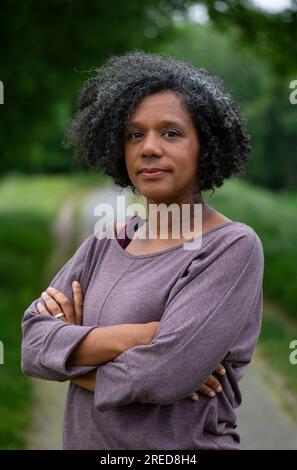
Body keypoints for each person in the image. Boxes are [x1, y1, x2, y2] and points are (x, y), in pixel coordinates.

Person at [21, 51, 264, 450]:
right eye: (135, 134)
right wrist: (141, 336)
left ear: (205, 146)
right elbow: (32, 344)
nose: (148, 148)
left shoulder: (231, 246)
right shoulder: (106, 239)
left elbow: (164, 374)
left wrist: (70, 357)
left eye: (171, 133)